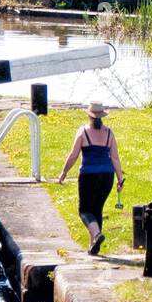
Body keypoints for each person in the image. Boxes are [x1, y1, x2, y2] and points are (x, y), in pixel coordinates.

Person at [58, 102, 124, 255]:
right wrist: (120, 180)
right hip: (107, 176)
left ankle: (96, 235)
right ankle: (93, 248)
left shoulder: (83, 131)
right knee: (97, 209)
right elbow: (114, 157)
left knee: (85, 211)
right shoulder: (109, 133)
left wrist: (64, 173)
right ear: (102, 116)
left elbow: (73, 155)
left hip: (89, 176)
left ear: (88, 115)